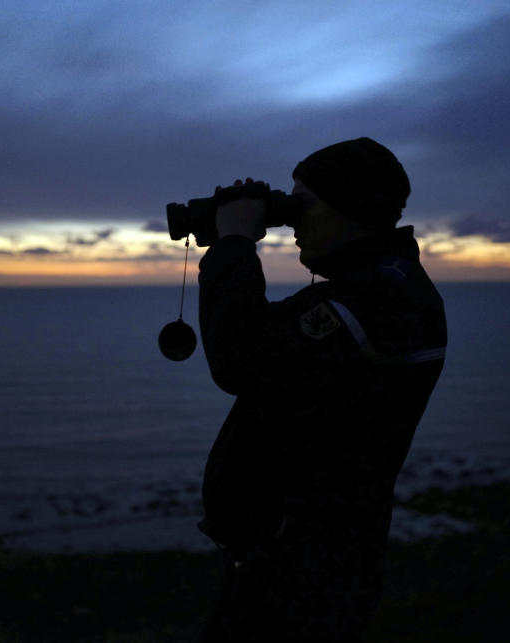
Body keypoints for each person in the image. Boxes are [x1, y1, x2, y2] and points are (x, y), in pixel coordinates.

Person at [196, 137, 447, 642]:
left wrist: (235, 244)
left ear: (351, 207)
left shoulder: (377, 301)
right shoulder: (377, 290)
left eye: (302, 205)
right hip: (300, 563)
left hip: (305, 579)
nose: (293, 225)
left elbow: (238, 358)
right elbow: (272, 347)